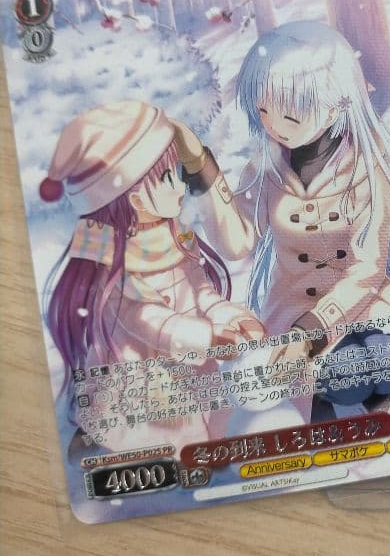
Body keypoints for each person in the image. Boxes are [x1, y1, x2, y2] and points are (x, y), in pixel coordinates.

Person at [206, 20, 390, 418]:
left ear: (337, 102)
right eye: (263, 110)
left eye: (291, 115)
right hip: (289, 310)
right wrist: (205, 178)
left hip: (363, 304)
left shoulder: (367, 165)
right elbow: (238, 241)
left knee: (376, 361)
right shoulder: (264, 168)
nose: (274, 126)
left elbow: (367, 267)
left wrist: (312, 330)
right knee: (321, 385)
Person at [41, 100, 264, 448]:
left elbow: (200, 290)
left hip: (191, 371)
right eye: (168, 178)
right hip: (139, 383)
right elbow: (142, 317)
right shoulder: (111, 259)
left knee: (207, 437)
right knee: (152, 448)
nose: (180, 186)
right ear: (133, 198)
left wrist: (229, 316)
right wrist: (204, 337)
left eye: (177, 173)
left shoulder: (173, 234)